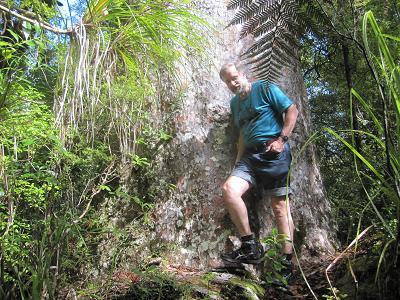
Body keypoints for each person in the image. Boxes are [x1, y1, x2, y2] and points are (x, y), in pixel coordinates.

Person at [219, 63, 298, 270]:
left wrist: (282, 140)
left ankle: (286, 262)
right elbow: (243, 134)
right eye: (227, 81)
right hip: (249, 156)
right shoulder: (235, 104)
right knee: (230, 189)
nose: (232, 83)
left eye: (234, 77)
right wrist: (238, 162)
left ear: (244, 74)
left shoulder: (264, 88)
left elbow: (292, 109)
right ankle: (250, 246)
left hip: (274, 152)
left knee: (280, 208)